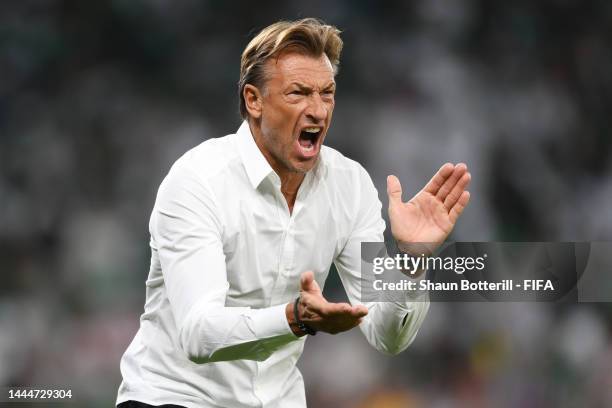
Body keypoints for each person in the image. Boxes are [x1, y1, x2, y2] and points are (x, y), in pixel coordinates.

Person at [116, 18, 471, 408]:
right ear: (254, 101)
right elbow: (199, 335)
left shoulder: (349, 186)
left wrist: (411, 261)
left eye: (327, 93)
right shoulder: (198, 180)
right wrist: (294, 318)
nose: (318, 110)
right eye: (299, 93)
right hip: (175, 398)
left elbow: (387, 336)